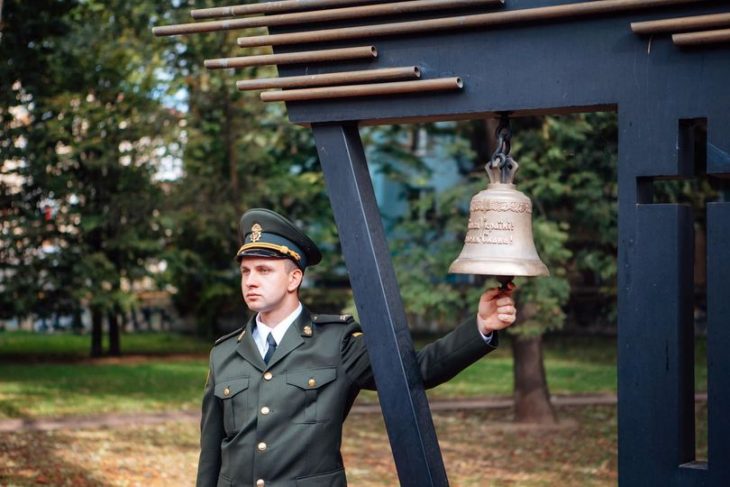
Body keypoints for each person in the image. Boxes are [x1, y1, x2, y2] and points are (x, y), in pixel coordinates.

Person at [197, 208, 517, 487]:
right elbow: (211, 455)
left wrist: (481, 326)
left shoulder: (336, 343)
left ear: (294, 279)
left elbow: (416, 371)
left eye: (264, 270)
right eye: (246, 271)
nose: (251, 281)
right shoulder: (224, 354)